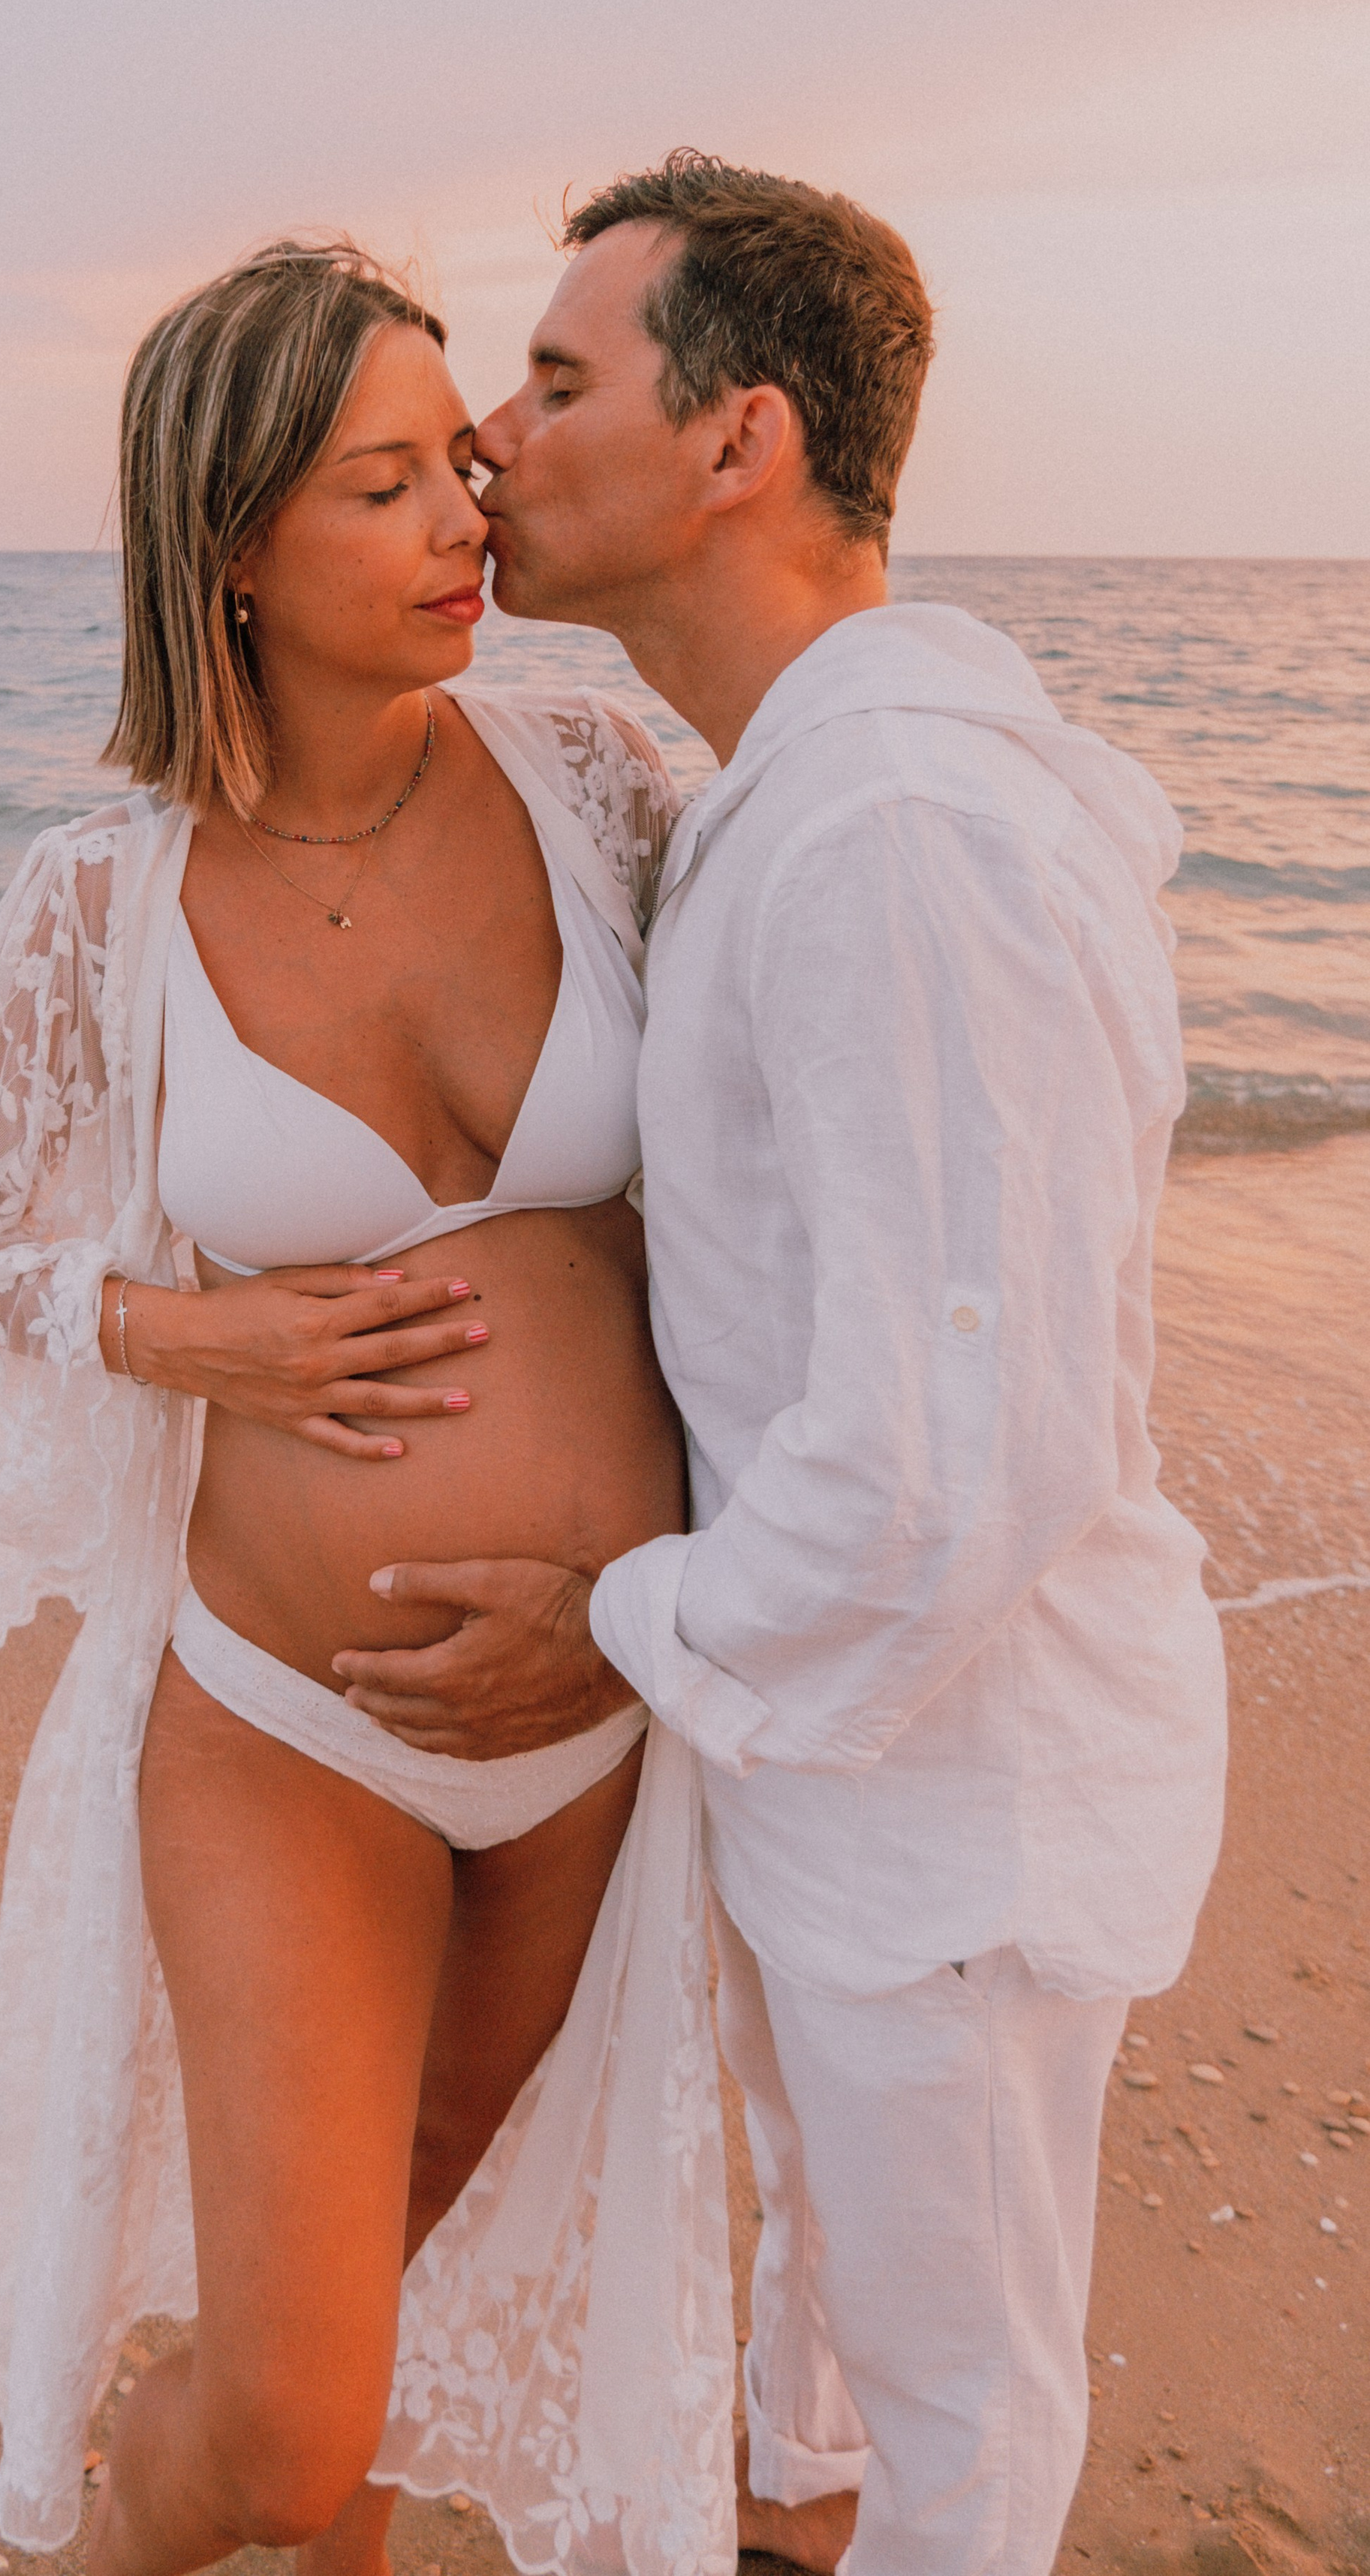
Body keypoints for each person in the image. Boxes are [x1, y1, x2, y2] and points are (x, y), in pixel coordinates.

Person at [337, 155, 1229, 2576]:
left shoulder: (899, 835)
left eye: (556, 380)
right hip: (849, 1753)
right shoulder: (797, 794)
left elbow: (956, 1457)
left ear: (742, 439)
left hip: (958, 1794)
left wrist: (614, 1620)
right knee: (838, 2301)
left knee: (964, 2414)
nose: (492, 437)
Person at [0, 239, 739, 2574]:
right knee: (275, 2424)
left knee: (410, 2233)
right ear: (233, 543)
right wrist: (195, 1335)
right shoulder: (108, 896)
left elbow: (787, 1127)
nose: (469, 515)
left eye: (461, 459)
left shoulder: (596, 781)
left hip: (597, 1703)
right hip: (295, 1720)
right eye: (385, 485)